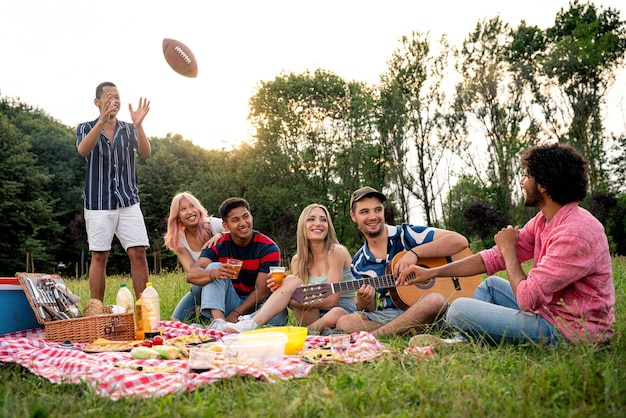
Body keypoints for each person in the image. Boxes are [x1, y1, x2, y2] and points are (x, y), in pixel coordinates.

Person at [399, 144, 615, 346]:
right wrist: (432, 273)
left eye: (527, 176)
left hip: (570, 331)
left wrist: (509, 250)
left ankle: (463, 340)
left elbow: (526, 299)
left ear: (543, 186)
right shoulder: (544, 220)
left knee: (458, 310)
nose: (522, 181)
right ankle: (462, 342)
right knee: (490, 285)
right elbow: (493, 258)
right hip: (550, 312)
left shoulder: (575, 233)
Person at [335, 187, 469, 338]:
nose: (373, 216)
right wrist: (364, 301)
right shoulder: (359, 263)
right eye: (364, 212)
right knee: (345, 322)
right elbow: (369, 309)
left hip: (436, 305)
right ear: (353, 216)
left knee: (434, 300)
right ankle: (412, 330)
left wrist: (415, 253)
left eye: (377, 210)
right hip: (393, 313)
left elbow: (459, 241)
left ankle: (380, 335)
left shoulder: (407, 235)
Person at [224, 203, 357, 333]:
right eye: (311, 219)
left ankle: (307, 332)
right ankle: (252, 323)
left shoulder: (336, 252)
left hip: (341, 308)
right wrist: (282, 289)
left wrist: (291, 298)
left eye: (323, 220)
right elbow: (299, 299)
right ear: (302, 226)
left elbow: (332, 300)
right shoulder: (297, 260)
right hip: (313, 311)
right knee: (292, 281)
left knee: (335, 313)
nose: (318, 223)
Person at [76, 81, 151, 301]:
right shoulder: (85, 127)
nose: (114, 101)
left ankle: (144, 308)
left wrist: (138, 125)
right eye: (109, 97)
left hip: (128, 201)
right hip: (99, 202)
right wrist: (101, 122)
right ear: (97, 102)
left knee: (138, 252)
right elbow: (83, 151)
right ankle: (96, 310)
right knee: (100, 255)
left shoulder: (128, 129)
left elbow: (146, 153)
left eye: (117, 97)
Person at [187, 197, 288, 331]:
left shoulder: (268, 247)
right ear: (225, 226)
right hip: (227, 302)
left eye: (246, 217)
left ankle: (237, 325)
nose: (243, 223)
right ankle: (218, 323)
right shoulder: (218, 245)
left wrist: (236, 314)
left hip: (254, 305)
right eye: (235, 220)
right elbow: (191, 275)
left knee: (280, 316)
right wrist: (214, 273)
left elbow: (261, 292)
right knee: (213, 268)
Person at [164, 192, 227, 321]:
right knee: (176, 320)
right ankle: (202, 309)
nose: (190, 211)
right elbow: (193, 273)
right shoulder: (179, 239)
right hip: (202, 286)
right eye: (183, 209)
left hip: (227, 282)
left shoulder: (213, 225)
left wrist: (221, 235)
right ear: (177, 217)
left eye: (192, 206)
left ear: (198, 209)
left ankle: (207, 314)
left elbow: (239, 228)